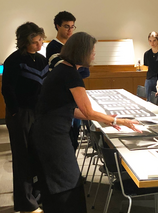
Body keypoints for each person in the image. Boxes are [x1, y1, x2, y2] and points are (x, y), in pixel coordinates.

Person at [29, 32, 141, 213]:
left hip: (46, 132)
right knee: (67, 181)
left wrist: (106, 119)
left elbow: (70, 110)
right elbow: (88, 112)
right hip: (52, 136)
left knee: (59, 180)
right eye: (92, 51)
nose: (94, 54)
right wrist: (116, 120)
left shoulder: (64, 70)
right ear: (82, 52)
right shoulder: (70, 74)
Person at [1, 22, 49, 213]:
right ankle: (26, 203)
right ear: (25, 42)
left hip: (38, 113)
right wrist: (15, 112)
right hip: (21, 114)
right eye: (36, 41)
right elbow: (7, 89)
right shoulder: (13, 61)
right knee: (22, 158)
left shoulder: (42, 60)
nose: (40, 45)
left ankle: (37, 195)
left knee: (37, 155)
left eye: (41, 40)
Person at [46, 11, 90, 151]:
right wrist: (76, 69)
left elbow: (85, 71)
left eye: (72, 26)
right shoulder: (53, 47)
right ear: (57, 26)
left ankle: (73, 171)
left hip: (75, 96)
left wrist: (76, 69)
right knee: (66, 138)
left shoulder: (73, 45)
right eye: (66, 26)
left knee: (74, 136)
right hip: (62, 98)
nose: (70, 30)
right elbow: (67, 72)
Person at [143, 31, 158, 101]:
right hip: (149, 79)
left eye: (154, 40)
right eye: (150, 41)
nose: (152, 43)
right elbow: (147, 66)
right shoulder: (147, 54)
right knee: (149, 101)